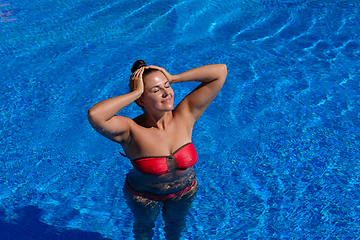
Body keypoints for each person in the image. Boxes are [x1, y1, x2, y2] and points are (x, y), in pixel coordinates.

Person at [87, 60, 227, 239]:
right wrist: (136, 92)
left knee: (176, 228)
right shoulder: (130, 130)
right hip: (145, 197)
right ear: (141, 100)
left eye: (166, 86)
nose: (166, 93)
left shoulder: (185, 115)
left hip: (185, 190)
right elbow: (95, 115)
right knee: (144, 228)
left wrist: (174, 77)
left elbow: (220, 71)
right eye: (156, 90)